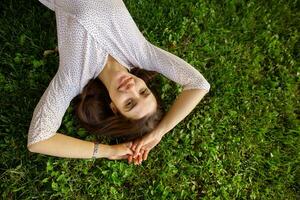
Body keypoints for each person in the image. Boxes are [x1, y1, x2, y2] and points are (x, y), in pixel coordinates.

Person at [27, 0, 210, 165]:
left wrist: (109, 151)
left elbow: (38, 140)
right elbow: (199, 85)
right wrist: (158, 133)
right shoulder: (141, 53)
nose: (132, 88)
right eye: (143, 91)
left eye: (129, 103)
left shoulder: (73, 77)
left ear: (114, 107)